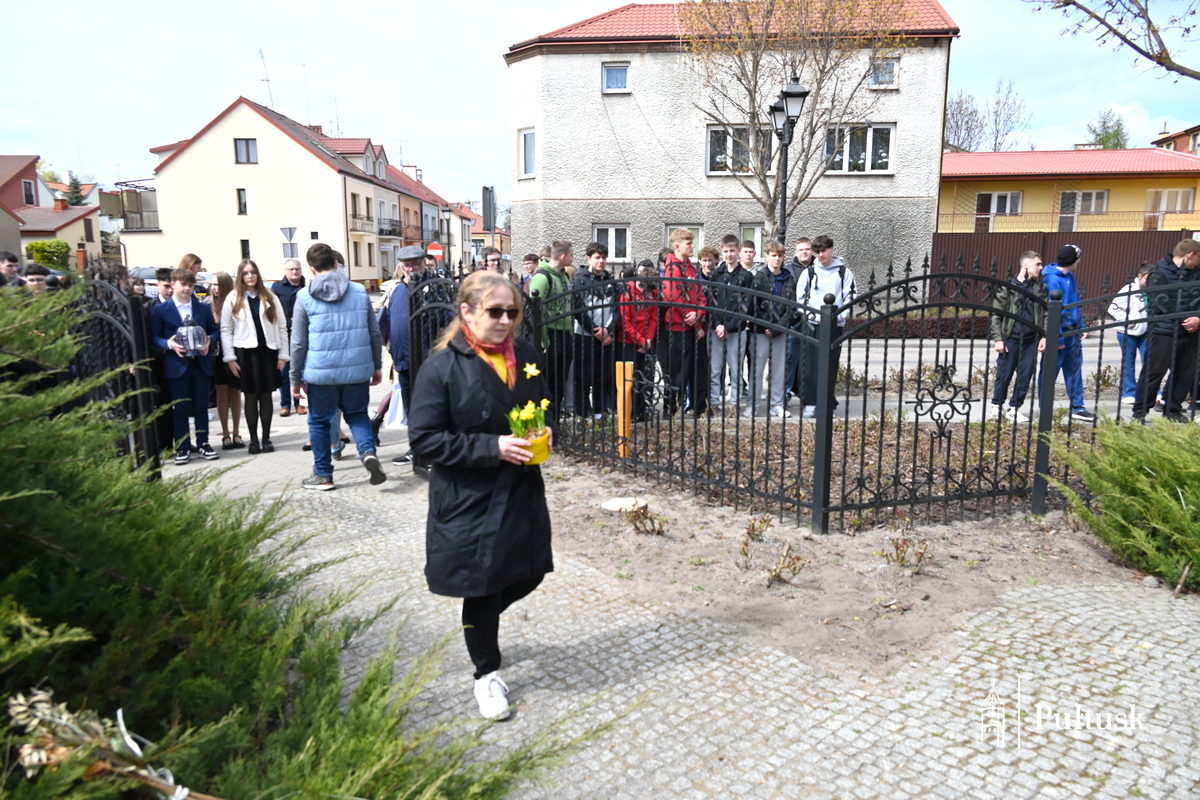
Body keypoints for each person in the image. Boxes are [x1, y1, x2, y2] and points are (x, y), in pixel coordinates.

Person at [407, 270, 554, 721]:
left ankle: (481, 621)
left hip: (520, 487)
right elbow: (424, 439)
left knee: (529, 572)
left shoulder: (525, 355)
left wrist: (546, 431)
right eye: (495, 312)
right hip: (469, 496)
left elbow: (544, 403)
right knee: (482, 587)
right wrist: (492, 447)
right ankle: (485, 673)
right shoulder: (441, 367)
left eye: (513, 312)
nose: (506, 321)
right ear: (467, 312)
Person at [290, 243, 386, 489]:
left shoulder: (304, 296)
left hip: (320, 373)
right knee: (357, 415)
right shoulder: (359, 291)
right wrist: (377, 365)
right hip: (357, 369)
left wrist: (295, 378)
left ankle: (323, 474)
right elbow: (374, 331)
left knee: (319, 422)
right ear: (335, 264)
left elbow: (298, 343)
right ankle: (368, 452)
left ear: (311, 269)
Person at [150, 268, 221, 465]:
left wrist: (209, 340)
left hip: (200, 364)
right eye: (183, 284)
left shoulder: (202, 308)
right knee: (180, 408)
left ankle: (203, 443)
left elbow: (215, 331)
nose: (187, 289)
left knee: (201, 406)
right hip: (177, 365)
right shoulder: (161, 310)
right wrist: (169, 344)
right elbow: (154, 336)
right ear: (173, 285)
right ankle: (183, 446)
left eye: (190, 285)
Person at [221, 259, 289, 454]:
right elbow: (226, 329)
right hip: (245, 353)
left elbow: (282, 326)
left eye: (253, 272)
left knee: (266, 395)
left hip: (267, 352)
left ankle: (266, 438)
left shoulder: (269, 296)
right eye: (245, 273)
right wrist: (230, 358)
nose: (250, 276)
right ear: (240, 276)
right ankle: (253, 440)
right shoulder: (233, 298)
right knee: (250, 397)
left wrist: (283, 355)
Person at [1132, 239, 1200, 423]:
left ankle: (1172, 410)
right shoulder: (1159, 273)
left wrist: (1198, 318)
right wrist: (1186, 318)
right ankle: (1140, 411)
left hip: (1192, 332)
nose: (1198, 262)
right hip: (1164, 331)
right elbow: (1160, 303)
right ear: (1191, 255)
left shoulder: (1197, 273)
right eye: (1198, 258)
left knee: (1185, 373)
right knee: (1154, 371)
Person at [795, 235, 857, 419]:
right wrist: (813, 315)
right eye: (817, 252)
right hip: (812, 325)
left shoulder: (844, 273)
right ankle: (810, 403)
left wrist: (838, 316)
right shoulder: (809, 272)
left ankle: (826, 402)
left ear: (832, 249)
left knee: (830, 365)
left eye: (824, 251)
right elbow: (801, 299)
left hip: (834, 326)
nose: (820, 255)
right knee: (810, 365)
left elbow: (850, 298)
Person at [376, 244, 425, 465]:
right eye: (407, 265)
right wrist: (393, 354)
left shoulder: (432, 288)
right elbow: (387, 325)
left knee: (427, 407)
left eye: (415, 264)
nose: (411, 268)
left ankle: (430, 451)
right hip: (403, 361)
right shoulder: (396, 291)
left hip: (426, 361)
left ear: (423, 264)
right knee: (410, 408)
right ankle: (416, 450)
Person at [987, 251, 1047, 422]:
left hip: (1031, 341)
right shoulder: (1008, 287)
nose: (1041, 268)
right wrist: (998, 339)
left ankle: (1013, 409)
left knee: (1025, 376)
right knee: (1004, 375)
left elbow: (1046, 314)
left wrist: (1044, 336)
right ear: (1026, 265)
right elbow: (996, 314)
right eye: (1038, 264)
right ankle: (996, 407)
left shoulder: (1040, 289)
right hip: (1010, 339)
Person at [1042, 245, 1095, 423]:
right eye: (1078, 258)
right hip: (1060, 333)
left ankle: (1077, 407)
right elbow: (1052, 310)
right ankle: (1045, 407)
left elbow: (1074, 301)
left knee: (1074, 370)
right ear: (1073, 260)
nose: (1079, 261)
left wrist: (1080, 324)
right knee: (1049, 372)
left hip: (1072, 332)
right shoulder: (1052, 280)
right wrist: (1056, 337)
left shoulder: (1070, 276)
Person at [746, 241, 796, 418]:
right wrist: (766, 325)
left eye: (780, 256)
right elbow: (754, 304)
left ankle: (776, 404)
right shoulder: (759, 277)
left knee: (779, 370)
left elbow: (792, 307)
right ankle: (752, 405)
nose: (777, 259)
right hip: (761, 332)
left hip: (780, 331)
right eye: (773, 255)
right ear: (767, 257)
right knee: (757, 370)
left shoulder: (789, 278)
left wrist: (779, 326)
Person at [661, 228, 706, 418]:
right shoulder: (672, 269)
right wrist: (694, 319)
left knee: (697, 371)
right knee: (676, 373)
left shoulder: (691, 268)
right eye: (688, 244)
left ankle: (698, 408)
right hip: (677, 328)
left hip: (693, 327)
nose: (692, 246)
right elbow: (673, 297)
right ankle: (670, 411)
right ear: (677, 246)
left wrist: (699, 315)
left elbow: (701, 296)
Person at [528, 241, 574, 422]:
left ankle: (554, 422)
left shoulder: (564, 275)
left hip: (565, 334)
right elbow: (535, 312)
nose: (573, 258)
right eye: (571, 255)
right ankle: (544, 422)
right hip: (550, 335)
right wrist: (543, 341)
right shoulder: (542, 277)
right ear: (563, 257)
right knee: (549, 382)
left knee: (560, 382)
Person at [571, 242, 618, 419]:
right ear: (589, 259)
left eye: (604, 258)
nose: (601, 261)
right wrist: (595, 330)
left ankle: (599, 411)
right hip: (584, 335)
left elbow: (616, 309)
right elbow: (578, 309)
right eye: (597, 258)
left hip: (605, 336)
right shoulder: (580, 280)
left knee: (602, 377)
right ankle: (583, 413)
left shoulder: (610, 280)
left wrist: (608, 330)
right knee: (583, 377)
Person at [709, 240, 754, 412]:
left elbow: (746, 306)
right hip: (716, 330)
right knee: (714, 369)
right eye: (726, 251)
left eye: (732, 251)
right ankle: (713, 403)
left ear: (738, 251)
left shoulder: (746, 276)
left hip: (736, 331)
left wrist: (729, 327)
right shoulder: (716, 274)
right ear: (722, 252)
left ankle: (734, 404)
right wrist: (717, 325)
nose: (729, 254)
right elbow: (710, 302)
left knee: (736, 370)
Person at [617, 262, 660, 421]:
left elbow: (654, 317)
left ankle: (641, 413)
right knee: (628, 380)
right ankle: (626, 413)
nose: (646, 293)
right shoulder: (627, 292)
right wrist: (640, 340)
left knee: (645, 379)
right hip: (628, 342)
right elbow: (625, 321)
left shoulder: (652, 293)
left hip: (646, 341)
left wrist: (648, 340)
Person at [207, 271, 244, 449]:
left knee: (235, 393)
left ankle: (237, 432)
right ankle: (225, 434)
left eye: (217, 285)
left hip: (235, 353)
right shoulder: (207, 305)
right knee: (222, 394)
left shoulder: (235, 303)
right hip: (217, 355)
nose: (214, 288)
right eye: (212, 285)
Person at [1108, 263, 1152, 406]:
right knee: (1128, 363)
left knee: (1149, 361)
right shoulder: (1128, 290)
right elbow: (1113, 309)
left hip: (1146, 331)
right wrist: (1129, 321)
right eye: (1147, 278)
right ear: (1140, 276)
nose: (1150, 281)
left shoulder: (1152, 290)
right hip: (1128, 332)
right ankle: (1129, 392)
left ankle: (1149, 390)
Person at [272, 258, 307, 417]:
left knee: (301, 371)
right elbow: (273, 311)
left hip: (303, 335)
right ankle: (285, 404)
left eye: (297, 269)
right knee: (284, 372)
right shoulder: (277, 288)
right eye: (291, 269)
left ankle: (301, 404)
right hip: (284, 335)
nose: (294, 272)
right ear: (285, 271)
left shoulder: (307, 287)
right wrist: (288, 322)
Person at [785, 237, 815, 402]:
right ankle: (786, 393)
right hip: (794, 322)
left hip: (814, 322)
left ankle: (806, 394)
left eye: (807, 249)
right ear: (795, 252)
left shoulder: (819, 269)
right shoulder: (788, 271)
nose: (804, 252)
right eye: (801, 249)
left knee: (809, 360)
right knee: (791, 358)